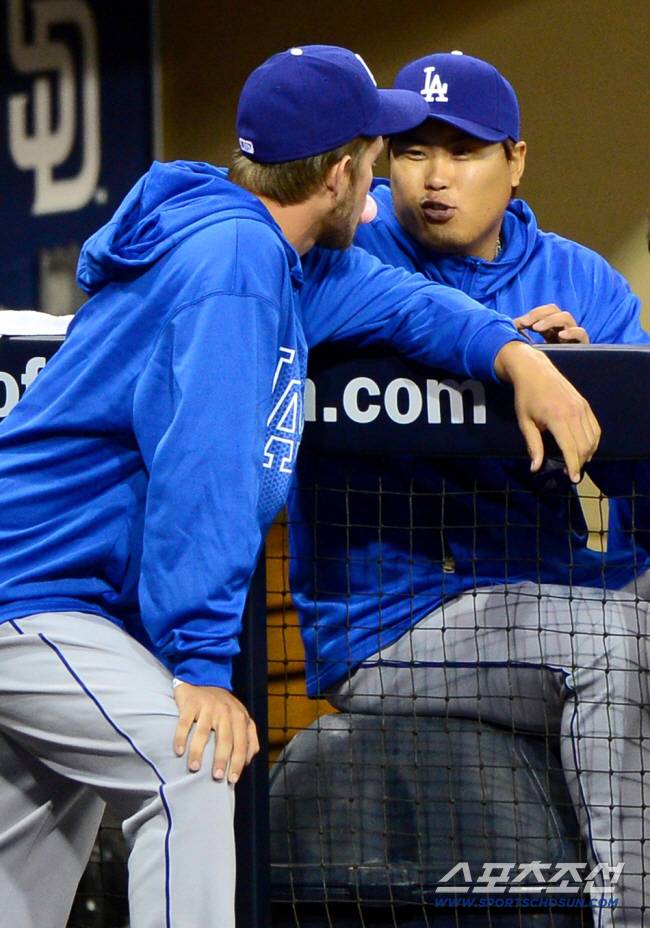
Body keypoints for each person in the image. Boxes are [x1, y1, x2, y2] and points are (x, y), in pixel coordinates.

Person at [0, 45, 596, 928]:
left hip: (64, 602)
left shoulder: (284, 258)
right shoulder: (233, 264)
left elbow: (408, 306)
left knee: (23, 877)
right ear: (340, 174)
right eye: (377, 154)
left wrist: (516, 355)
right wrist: (201, 669)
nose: (385, 182)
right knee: (193, 764)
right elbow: (204, 475)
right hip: (31, 594)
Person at [289, 52, 649, 924]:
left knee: (617, 625)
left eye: (464, 150)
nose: (435, 177)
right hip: (394, 621)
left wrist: (589, 391)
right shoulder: (345, 256)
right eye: (413, 151)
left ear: (516, 160)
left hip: (558, 594)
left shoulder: (578, 279)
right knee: (612, 645)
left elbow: (641, 481)